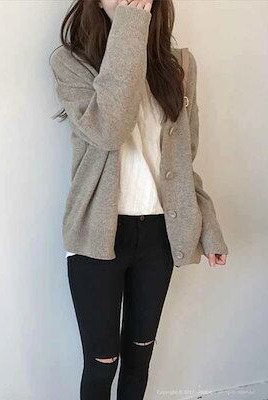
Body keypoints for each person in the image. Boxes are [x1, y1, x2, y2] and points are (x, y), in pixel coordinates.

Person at [49, 0, 229, 399]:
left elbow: (183, 161)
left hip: (159, 237)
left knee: (139, 358)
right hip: (97, 237)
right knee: (102, 364)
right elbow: (109, 130)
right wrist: (130, 27)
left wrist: (208, 227)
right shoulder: (71, 62)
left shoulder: (179, 65)